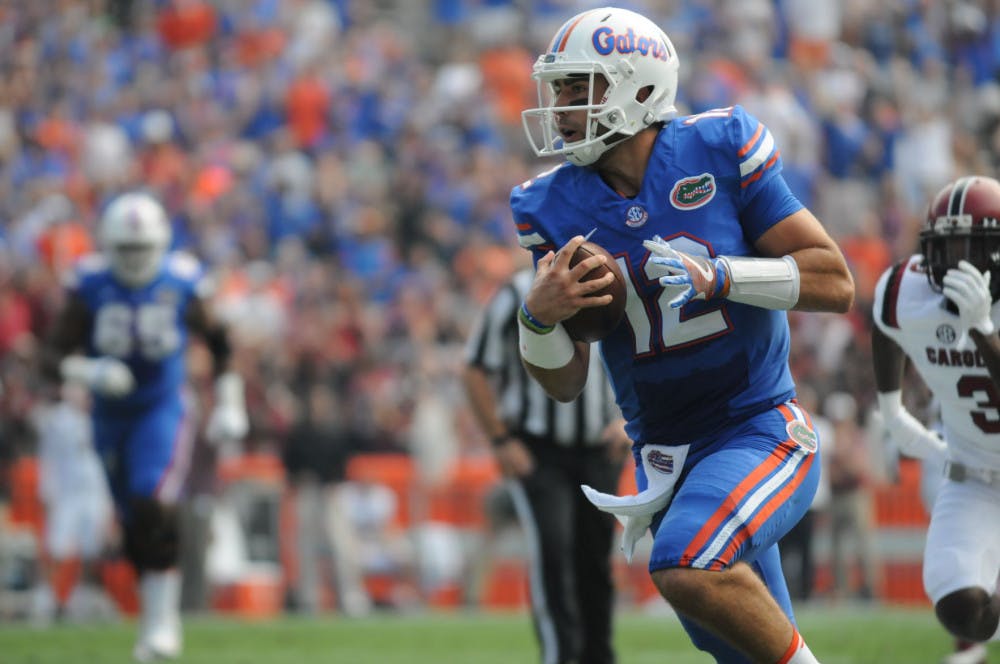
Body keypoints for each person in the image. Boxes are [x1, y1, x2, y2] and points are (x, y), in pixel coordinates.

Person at [510, 7, 855, 663]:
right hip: (665, 458)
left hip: (757, 428)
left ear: (638, 86)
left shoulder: (719, 147)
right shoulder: (549, 204)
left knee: (690, 564)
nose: (560, 108)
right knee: (739, 643)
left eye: (578, 88)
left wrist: (723, 276)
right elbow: (564, 383)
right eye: (557, 89)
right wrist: (538, 319)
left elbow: (834, 280)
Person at [40, 191, 248, 662]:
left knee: (151, 497)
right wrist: (89, 372)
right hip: (108, 415)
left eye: (142, 248)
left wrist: (230, 403)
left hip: (162, 407)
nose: (134, 258)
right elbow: (49, 358)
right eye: (126, 249)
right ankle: (152, 618)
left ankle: (162, 621)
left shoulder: (182, 281)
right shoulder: (90, 284)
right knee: (133, 518)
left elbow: (220, 342)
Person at [463, 266, 631, 664]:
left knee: (596, 562)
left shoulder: (614, 282)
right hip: (539, 451)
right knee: (553, 555)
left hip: (600, 449)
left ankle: (598, 657)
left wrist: (630, 420)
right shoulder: (516, 291)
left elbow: (646, 357)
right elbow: (474, 368)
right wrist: (501, 440)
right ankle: (560, 656)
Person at [872, 175, 1000, 664]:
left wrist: (983, 331)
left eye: (971, 248)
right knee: (959, 607)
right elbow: (885, 321)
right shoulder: (907, 290)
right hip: (974, 473)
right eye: (944, 248)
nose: (953, 263)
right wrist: (892, 408)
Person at [30, 381, 117, 622]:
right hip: (66, 494)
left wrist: (109, 501)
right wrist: (47, 493)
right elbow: (48, 457)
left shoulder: (101, 418)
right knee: (56, 548)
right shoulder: (58, 421)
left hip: (94, 493)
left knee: (91, 549)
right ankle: (45, 598)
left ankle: (81, 598)